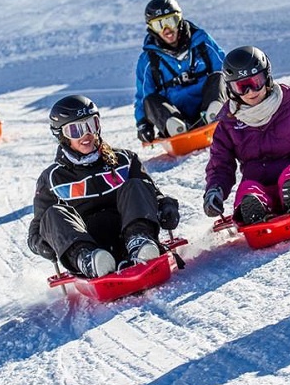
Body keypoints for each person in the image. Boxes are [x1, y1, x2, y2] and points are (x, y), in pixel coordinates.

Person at [27, 95, 181, 278]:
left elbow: (151, 195)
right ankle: (88, 259)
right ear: (62, 136)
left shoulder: (125, 160)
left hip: (129, 231)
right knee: (53, 213)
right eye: (75, 130)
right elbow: (38, 231)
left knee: (136, 185)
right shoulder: (52, 178)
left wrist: (165, 205)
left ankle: (140, 242)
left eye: (92, 124)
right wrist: (43, 244)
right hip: (89, 243)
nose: (86, 134)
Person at [202, 46, 290, 225]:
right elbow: (221, 164)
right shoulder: (229, 124)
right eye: (242, 86)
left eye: (255, 82)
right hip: (258, 180)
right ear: (231, 89)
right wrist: (215, 189)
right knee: (248, 188)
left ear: (267, 77)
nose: (250, 91)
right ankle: (254, 208)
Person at [134, 0, 227, 143]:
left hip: (208, 105)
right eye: (159, 25)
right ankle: (176, 128)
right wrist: (142, 124)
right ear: (151, 28)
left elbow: (225, 67)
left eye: (171, 21)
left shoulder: (202, 42)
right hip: (176, 115)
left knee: (220, 76)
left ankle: (215, 115)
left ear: (179, 19)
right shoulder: (147, 60)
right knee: (150, 100)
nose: (167, 29)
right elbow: (142, 97)